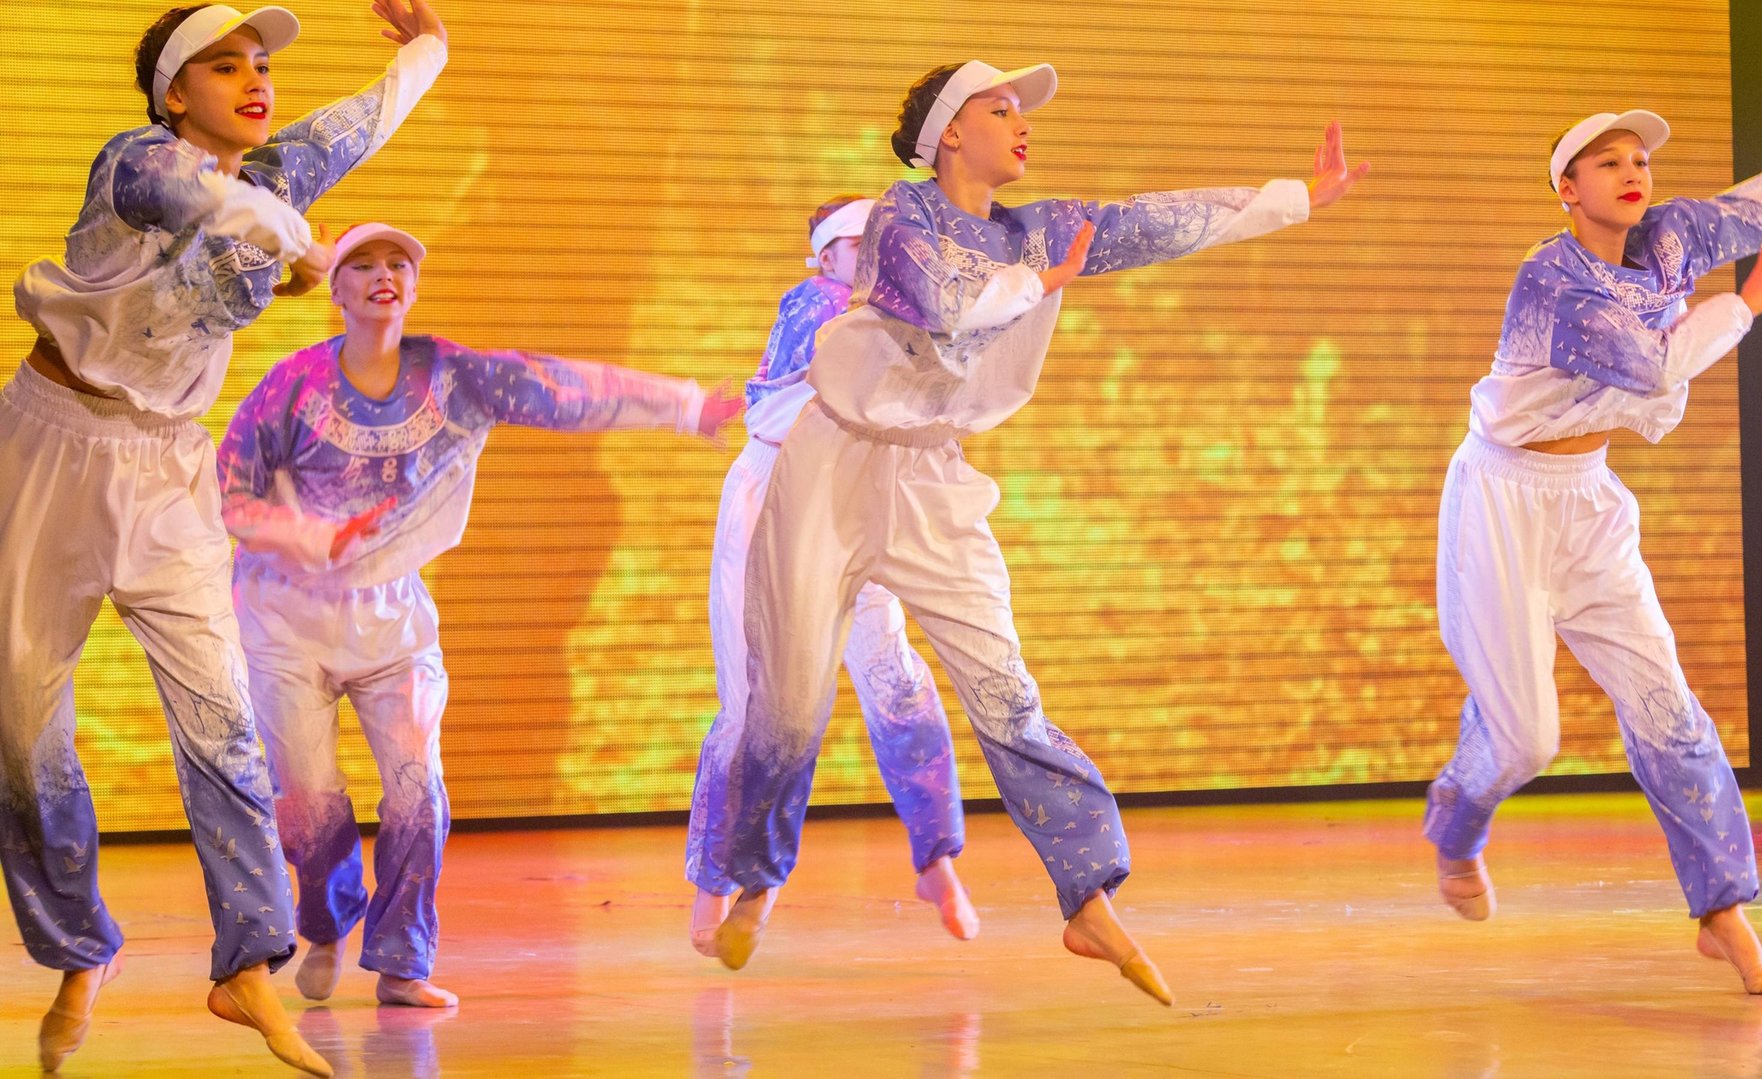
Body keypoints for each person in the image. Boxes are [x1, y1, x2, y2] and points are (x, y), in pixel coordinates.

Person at [712, 60, 1367, 1005]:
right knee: (786, 697)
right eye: (1001, 107)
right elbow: (942, 301)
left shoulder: (1041, 230)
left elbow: (1156, 221)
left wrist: (1298, 197)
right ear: (949, 132)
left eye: (1021, 111)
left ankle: (1088, 895)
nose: (1022, 123)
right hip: (832, 465)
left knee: (1007, 691)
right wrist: (1035, 284)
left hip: (932, 477)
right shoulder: (899, 213)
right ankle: (756, 878)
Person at [3, 3, 448, 1072]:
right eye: (223, 65)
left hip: (167, 470)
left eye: (261, 65)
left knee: (222, 720)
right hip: (51, 451)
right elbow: (205, 201)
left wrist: (429, 49)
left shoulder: (278, 174)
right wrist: (298, 244)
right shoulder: (136, 162)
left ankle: (247, 962)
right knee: (20, 725)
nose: (255, 80)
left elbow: (359, 123)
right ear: (173, 93)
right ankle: (79, 944)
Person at [1424, 70, 1762, 995]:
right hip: (1501, 501)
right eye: (1607, 162)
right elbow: (1651, 368)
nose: (1632, 172)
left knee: (1669, 710)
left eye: (1640, 160)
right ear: (1567, 188)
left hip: (1587, 503)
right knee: (1527, 739)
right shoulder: (1551, 279)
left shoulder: (1671, 238)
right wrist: (1749, 303)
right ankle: (1457, 825)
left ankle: (1723, 913)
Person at [218, 222, 743, 1007]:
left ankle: (402, 961)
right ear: (336, 290)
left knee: (417, 792)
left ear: (414, 285)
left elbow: (559, 387)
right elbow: (230, 495)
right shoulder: (291, 386)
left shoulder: (453, 376)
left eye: (398, 263)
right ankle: (325, 924)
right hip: (285, 616)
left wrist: (686, 406)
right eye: (363, 264)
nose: (384, 275)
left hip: (391, 617)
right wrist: (317, 537)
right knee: (309, 802)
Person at [686, 194, 977, 956]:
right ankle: (720, 880)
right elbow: (843, 358)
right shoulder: (817, 301)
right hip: (775, 497)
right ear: (827, 256)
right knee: (756, 699)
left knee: (895, 678)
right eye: (863, 244)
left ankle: (936, 858)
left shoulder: (895, 317)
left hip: (854, 495)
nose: (884, 256)